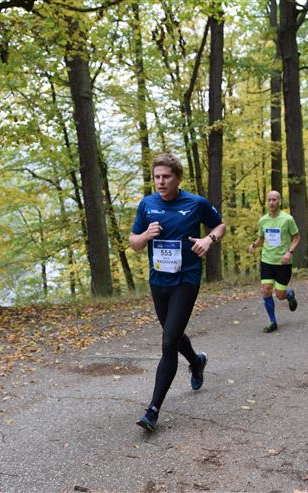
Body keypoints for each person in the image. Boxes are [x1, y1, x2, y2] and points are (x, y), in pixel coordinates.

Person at [129, 153, 225, 433]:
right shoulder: (147, 204)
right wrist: (145, 236)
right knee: (173, 334)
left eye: (166, 177)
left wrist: (209, 239)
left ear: (178, 178)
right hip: (159, 280)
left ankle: (152, 410)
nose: (160, 181)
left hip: (186, 279)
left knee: (169, 341)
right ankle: (196, 361)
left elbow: (220, 225)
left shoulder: (196, 203)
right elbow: (134, 242)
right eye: (157, 177)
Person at [248, 190, 300, 333]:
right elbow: (261, 238)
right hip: (267, 260)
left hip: (283, 262)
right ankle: (272, 321)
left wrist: (289, 252)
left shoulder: (287, 219)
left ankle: (289, 295)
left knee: (279, 295)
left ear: (279, 201)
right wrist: (254, 245)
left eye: (274, 199)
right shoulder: (263, 220)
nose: (271, 202)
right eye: (269, 199)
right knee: (266, 290)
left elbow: (296, 237)